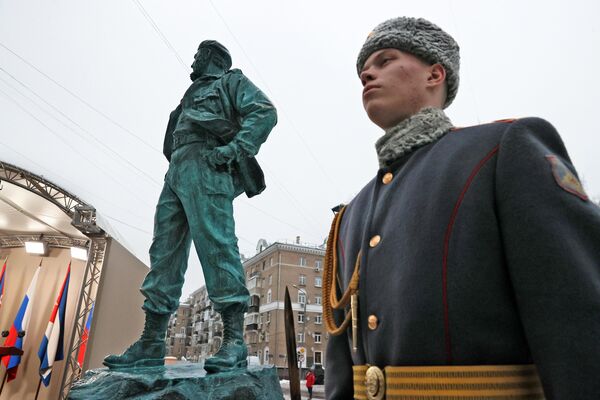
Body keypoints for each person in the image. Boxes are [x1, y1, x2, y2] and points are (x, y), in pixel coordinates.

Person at [323, 17, 600, 399]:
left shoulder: (501, 150)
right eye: (363, 71)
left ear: (435, 74)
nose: (368, 74)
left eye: (385, 60)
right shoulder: (351, 215)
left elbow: (579, 320)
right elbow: (343, 366)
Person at [103, 40, 277, 373]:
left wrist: (235, 149)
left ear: (212, 59)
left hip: (207, 166)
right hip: (178, 170)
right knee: (164, 251)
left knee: (217, 247)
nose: (192, 62)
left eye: (198, 56)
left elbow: (264, 112)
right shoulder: (188, 97)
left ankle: (235, 342)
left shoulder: (230, 82)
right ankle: (152, 341)